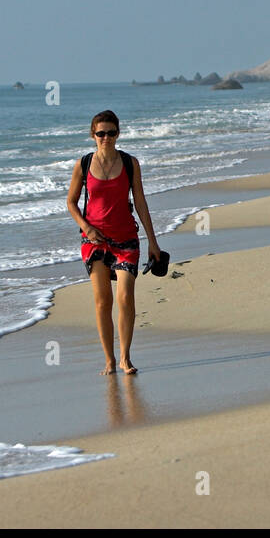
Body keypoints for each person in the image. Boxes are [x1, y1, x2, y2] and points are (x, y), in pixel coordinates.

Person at [67, 110, 163, 376]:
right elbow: (71, 203)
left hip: (126, 240)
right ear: (92, 135)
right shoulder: (83, 165)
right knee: (102, 301)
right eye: (101, 134)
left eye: (110, 133)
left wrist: (153, 242)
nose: (106, 138)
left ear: (118, 134)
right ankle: (109, 360)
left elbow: (141, 203)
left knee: (125, 297)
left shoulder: (130, 163)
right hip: (94, 241)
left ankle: (125, 358)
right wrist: (86, 227)